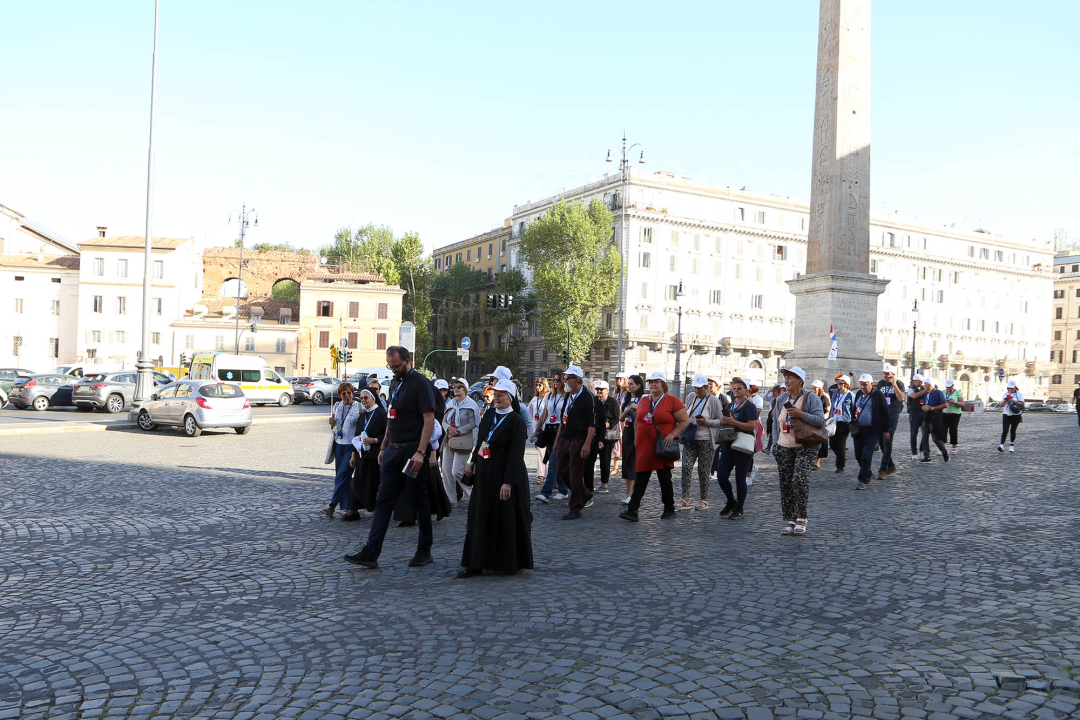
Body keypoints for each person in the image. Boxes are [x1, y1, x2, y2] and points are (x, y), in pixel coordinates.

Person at [344, 346, 437, 570]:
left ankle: (424, 550)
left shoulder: (420, 383)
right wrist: (385, 445)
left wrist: (421, 452)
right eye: (390, 366)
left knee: (418, 500)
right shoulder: (395, 383)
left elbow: (429, 419)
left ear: (407, 361)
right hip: (393, 451)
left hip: (412, 450)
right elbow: (391, 417)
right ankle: (371, 552)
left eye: (396, 366)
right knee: (383, 501)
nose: (393, 370)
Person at [457, 379, 534, 578]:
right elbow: (482, 439)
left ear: (510, 397)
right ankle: (475, 562)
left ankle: (504, 562)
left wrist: (508, 482)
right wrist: (472, 461)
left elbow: (517, 454)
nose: (497, 398)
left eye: (501, 395)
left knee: (504, 518)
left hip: (504, 473)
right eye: (495, 394)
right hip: (484, 471)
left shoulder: (516, 421)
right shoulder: (490, 413)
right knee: (479, 516)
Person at [619, 372, 690, 522]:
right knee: (641, 478)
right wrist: (637, 439)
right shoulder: (644, 400)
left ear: (664, 384)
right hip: (644, 446)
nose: (653, 384)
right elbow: (640, 420)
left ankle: (669, 508)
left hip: (663, 445)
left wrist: (672, 434)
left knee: (664, 478)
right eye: (651, 382)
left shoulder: (673, 401)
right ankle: (633, 510)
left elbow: (684, 421)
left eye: (657, 381)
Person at [769, 367, 825, 534]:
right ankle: (791, 518)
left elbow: (820, 421)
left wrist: (802, 414)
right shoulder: (782, 398)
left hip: (805, 446)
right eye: (785, 377)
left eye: (790, 378)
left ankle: (802, 516)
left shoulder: (811, 398)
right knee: (786, 483)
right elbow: (775, 422)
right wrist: (775, 444)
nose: (786, 381)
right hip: (783, 446)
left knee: (799, 479)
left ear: (800, 381)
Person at [552, 366, 597, 520]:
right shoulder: (568, 396)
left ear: (576, 380)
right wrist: (557, 441)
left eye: (567, 378)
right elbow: (562, 421)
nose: (564, 381)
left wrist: (587, 444)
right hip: (566, 438)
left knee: (575, 474)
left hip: (579, 439)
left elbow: (593, 423)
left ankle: (575, 508)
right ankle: (584, 494)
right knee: (561, 470)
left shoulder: (587, 397)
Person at [676, 375, 724, 511]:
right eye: (695, 388)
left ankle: (704, 499)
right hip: (690, 439)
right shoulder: (691, 397)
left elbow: (721, 421)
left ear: (705, 387)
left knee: (703, 470)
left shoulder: (714, 401)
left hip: (706, 440)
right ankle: (685, 499)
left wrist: (706, 422)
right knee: (685, 467)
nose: (696, 390)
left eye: (699, 388)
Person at [715, 376, 759, 520]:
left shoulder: (749, 406)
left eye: (739, 388)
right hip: (729, 443)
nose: (735, 390)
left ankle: (739, 508)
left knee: (740, 478)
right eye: (733, 388)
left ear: (746, 390)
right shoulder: (730, 405)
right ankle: (731, 501)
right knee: (721, 476)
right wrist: (724, 421)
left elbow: (752, 426)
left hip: (743, 445)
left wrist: (734, 422)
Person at [347, 389, 387, 518]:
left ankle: (377, 509)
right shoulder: (363, 415)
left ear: (373, 398)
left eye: (366, 397)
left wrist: (374, 440)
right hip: (362, 455)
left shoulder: (381, 413)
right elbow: (357, 436)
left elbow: (387, 434)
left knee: (374, 484)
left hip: (375, 456)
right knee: (356, 483)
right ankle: (353, 510)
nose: (363, 400)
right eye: (361, 398)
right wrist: (353, 454)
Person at [323, 382, 361, 520]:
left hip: (351, 446)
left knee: (342, 475)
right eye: (343, 393)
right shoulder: (337, 406)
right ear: (340, 395)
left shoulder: (358, 407)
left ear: (352, 393)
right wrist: (331, 423)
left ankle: (332, 505)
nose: (346, 396)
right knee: (344, 478)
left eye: (349, 393)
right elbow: (334, 427)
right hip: (339, 445)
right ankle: (350, 507)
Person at [442, 377, 481, 506]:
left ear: (465, 389)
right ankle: (451, 499)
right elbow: (444, 420)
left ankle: (473, 494)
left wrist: (459, 430)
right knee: (446, 471)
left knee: (457, 470)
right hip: (450, 438)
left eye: (459, 387)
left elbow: (473, 423)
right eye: (455, 387)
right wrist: (449, 428)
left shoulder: (471, 404)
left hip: (463, 439)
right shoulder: (451, 403)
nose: (456, 389)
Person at [533, 374, 570, 503]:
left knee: (553, 463)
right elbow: (544, 414)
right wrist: (536, 431)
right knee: (555, 463)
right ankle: (563, 489)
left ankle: (545, 493)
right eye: (553, 380)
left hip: (559, 430)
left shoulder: (567, 397)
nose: (555, 382)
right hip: (548, 430)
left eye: (558, 380)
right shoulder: (550, 396)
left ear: (564, 382)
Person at [852, 373, 890, 490]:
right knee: (858, 455)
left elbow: (885, 412)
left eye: (865, 384)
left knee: (866, 455)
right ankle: (867, 472)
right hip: (859, 430)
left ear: (872, 384)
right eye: (861, 384)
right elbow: (855, 408)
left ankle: (863, 479)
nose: (863, 387)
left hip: (873, 430)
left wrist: (886, 430)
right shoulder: (858, 393)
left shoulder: (878, 395)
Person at [875, 364, 907, 480]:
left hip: (892, 416)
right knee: (881, 442)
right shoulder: (880, 383)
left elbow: (901, 398)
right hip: (881, 415)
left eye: (888, 373)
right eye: (884, 373)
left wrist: (894, 384)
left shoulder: (899, 384)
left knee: (887, 441)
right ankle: (891, 465)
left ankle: (883, 469)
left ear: (893, 374)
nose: (885, 375)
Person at [618, 374, 644, 505]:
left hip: (640, 431)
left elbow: (648, 414)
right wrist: (628, 409)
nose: (629, 386)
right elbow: (621, 418)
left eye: (632, 384)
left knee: (637, 462)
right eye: (628, 383)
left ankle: (633, 493)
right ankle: (629, 493)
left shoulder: (644, 398)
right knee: (628, 461)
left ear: (638, 385)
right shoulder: (626, 399)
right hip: (628, 431)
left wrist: (637, 408)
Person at [593, 380, 620, 494]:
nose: (599, 391)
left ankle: (604, 484)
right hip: (594, 433)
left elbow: (616, 417)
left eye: (601, 389)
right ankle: (589, 483)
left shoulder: (612, 401)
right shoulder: (594, 401)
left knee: (605, 460)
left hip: (607, 435)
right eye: (597, 389)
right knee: (591, 459)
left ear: (607, 390)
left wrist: (609, 424)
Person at [918, 378, 950, 463]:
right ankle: (926, 456)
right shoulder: (926, 393)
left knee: (935, 438)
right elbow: (925, 403)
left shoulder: (938, 393)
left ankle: (944, 451)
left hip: (935, 418)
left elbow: (945, 405)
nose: (924, 385)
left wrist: (932, 408)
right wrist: (923, 407)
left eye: (925, 384)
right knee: (924, 437)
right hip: (926, 417)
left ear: (930, 385)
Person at [828, 376, 854, 473]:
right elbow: (833, 405)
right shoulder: (836, 393)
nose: (839, 385)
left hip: (845, 421)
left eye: (841, 383)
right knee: (832, 443)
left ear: (846, 384)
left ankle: (840, 466)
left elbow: (853, 408)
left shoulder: (850, 395)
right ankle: (841, 457)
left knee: (841, 443)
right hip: (835, 419)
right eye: (838, 383)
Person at [527, 378, 550, 485]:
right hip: (537, 428)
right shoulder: (534, 399)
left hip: (546, 428)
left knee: (546, 452)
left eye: (540, 384)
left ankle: (543, 474)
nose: (538, 386)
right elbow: (528, 413)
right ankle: (542, 474)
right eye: (536, 384)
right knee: (541, 452)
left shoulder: (548, 398)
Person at [998, 379, 1025, 452]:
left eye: (1012, 388)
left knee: (1013, 430)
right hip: (1006, 414)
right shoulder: (1005, 394)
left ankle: (1011, 445)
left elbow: (1022, 404)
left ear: (1015, 387)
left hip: (1015, 414)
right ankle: (1001, 444)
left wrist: (1013, 401)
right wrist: (1005, 400)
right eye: (1009, 388)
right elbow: (1001, 405)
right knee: (1005, 429)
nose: (1010, 389)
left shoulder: (1019, 394)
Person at [810, 380, 832, 470]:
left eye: (813, 388)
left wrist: (822, 419)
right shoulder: (810, 397)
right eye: (811, 388)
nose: (812, 390)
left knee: (821, 440)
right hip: (811, 420)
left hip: (821, 421)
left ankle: (817, 461)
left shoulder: (824, 398)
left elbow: (827, 410)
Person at [905, 374, 928, 460]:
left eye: (916, 381)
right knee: (913, 434)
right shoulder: (911, 389)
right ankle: (914, 453)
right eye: (914, 381)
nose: (915, 383)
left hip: (923, 413)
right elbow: (914, 396)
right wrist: (925, 390)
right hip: (914, 414)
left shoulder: (923, 389)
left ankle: (922, 451)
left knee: (925, 433)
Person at [611, 373, 629, 477]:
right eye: (617, 379)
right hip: (617, 419)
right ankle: (616, 467)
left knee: (625, 442)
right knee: (616, 443)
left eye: (620, 379)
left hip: (625, 420)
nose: (618, 381)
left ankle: (625, 466)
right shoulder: (616, 392)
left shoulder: (627, 392)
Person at [942, 379, 964, 453]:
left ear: (952, 386)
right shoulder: (943, 392)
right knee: (943, 429)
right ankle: (942, 447)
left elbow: (962, 404)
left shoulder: (957, 393)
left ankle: (954, 447)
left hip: (955, 413)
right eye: (947, 387)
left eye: (949, 387)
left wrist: (954, 402)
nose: (948, 389)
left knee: (953, 430)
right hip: (944, 412)